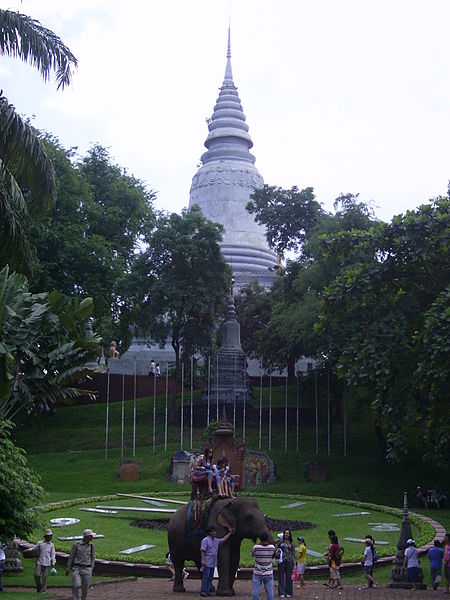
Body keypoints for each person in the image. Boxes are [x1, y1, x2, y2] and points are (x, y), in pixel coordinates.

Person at [200, 525, 234, 597]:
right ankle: (203, 591)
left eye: (215, 531)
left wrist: (230, 533)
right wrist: (203, 560)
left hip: (213, 562)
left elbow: (223, 540)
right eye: (213, 531)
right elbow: (202, 550)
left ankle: (207, 590)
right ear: (209, 532)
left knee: (210, 577)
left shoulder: (215, 540)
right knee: (206, 577)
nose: (215, 533)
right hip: (207, 561)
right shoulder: (205, 540)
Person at [66, 528, 96, 600]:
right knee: (76, 585)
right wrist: (68, 567)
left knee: (85, 586)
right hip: (77, 568)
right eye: (91, 536)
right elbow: (71, 556)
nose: (92, 537)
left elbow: (93, 557)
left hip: (87, 568)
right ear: (87, 536)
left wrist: (91, 567)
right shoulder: (77, 545)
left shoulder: (91, 546)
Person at [251, 531, 276, 600]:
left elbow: (252, 554)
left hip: (257, 572)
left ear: (259, 538)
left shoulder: (256, 547)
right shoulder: (272, 547)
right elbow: (273, 554)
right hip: (268, 572)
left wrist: (259, 543)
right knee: (270, 591)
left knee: (255, 591)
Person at [275, 529, 295, 597]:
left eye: (288, 533)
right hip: (282, 560)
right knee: (281, 576)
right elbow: (275, 549)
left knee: (289, 576)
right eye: (285, 533)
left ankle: (289, 592)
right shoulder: (280, 542)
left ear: (290, 535)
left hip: (289, 560)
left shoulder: (291, 542)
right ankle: (281, 592)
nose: (286, 535)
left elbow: (293, 553)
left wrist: (294, 563)